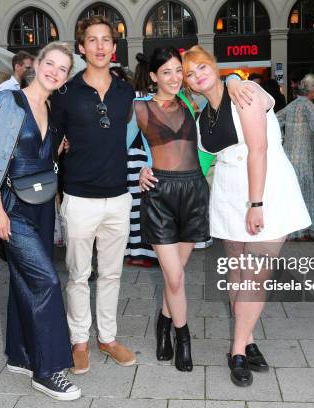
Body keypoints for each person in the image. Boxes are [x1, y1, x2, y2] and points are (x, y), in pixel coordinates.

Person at [179, 45, 311, 387]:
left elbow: (259, 149)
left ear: (215, 66)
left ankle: (236, 348)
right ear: (188, 83)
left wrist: (256, 204)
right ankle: (248, 339)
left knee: (256, 273)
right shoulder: (202, 115)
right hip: (227, 190)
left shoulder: (245, 90)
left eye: (202, 67)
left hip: (264, 190)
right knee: (238, 270)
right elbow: (203, 161)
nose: (198, 76)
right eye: (190, 74)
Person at [0, 42, 81, 401]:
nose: (55, 72)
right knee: (46, 281)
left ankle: (20, 354)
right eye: (51, 64)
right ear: (36, 64)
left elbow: (45, 151)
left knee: (25, 279)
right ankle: (47, 371)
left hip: (42, 205)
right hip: (11, 204)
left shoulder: (52, 108)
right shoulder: (7, 102)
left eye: (63, 69)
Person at [50, 15, 137, 375]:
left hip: (119, 197)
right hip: (80, 198)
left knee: (113, 275)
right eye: (93, 40)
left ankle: (108, 338)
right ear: (82, 48)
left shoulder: (126, 91)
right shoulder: (65, 93)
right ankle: (80, 341)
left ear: (114, 49)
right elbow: (50, 141)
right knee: (78, 275)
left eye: (106, 40)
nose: (100, 46)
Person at [129, 47, 210, 372]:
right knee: (175, 276)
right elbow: (117, 148)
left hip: (193, 192)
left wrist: (233, 81)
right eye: (167, 72)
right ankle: (183, 337)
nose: (175, 78)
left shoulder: (195, 102)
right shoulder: (139, 108)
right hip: (160, 194)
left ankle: (163, 323)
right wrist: (139, 170)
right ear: (153, 76)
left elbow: (222, 88)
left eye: (179, 71)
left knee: (174, 277)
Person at [276, 74, 314, 240]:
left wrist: (282, 138)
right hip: (305, 157)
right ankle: (304, 230)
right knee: (306, 193)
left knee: (293, 194)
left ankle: (291, 230)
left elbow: (275, 120)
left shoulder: (293, 104)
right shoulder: (307, 105)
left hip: (289, 157)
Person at [126, 53, 158, 268]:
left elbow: (127, 135)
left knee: (134, 208)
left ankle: (135, 251)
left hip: (131, 158)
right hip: (151, 157)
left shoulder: (134, 99)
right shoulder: (157, 100)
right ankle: (149, 252)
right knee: (148, 207)